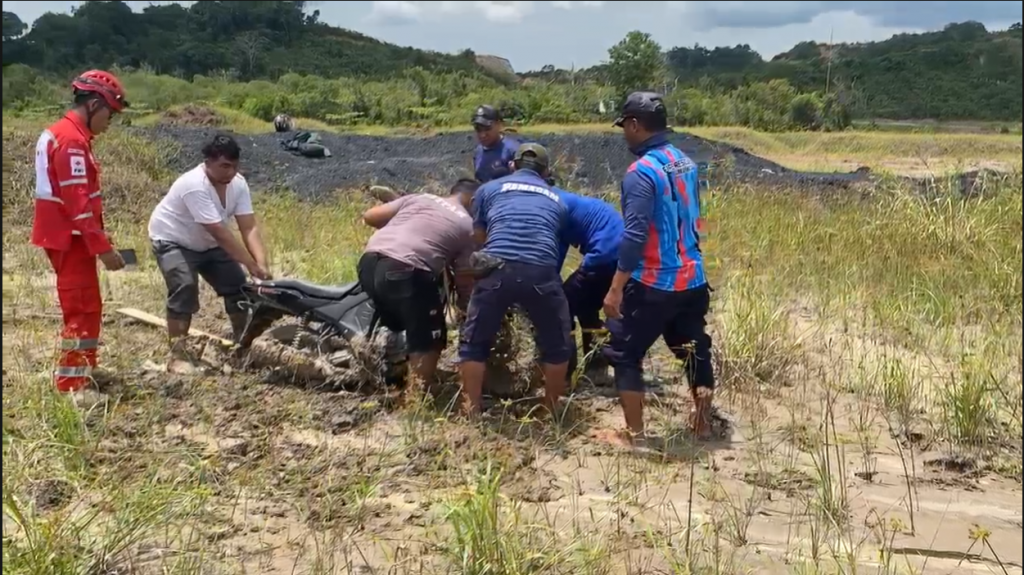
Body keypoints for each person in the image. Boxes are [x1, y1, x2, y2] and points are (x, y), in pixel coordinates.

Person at [601, 91, 716, 444]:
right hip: (693, 278)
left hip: (654, 282)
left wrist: (616, 286)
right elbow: (694, 217)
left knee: (625, 353)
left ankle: (634, 434)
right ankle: (703, 422)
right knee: (694, 351)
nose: (624, 133)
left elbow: (635, 234)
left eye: (625, 126)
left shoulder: (641, 173)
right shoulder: (685, 162)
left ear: (635, 125)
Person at [31, 69, 130, 408]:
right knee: (82, 308)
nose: (109, 122)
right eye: (109, 115)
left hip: (66, 235)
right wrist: (102, 249)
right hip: (69, 237)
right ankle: (72, 384)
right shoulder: (71, 141)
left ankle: (85, 368)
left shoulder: (65, 135)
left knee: (88, 306)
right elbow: (79, 205)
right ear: (93, 104)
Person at [459, 143, 572, 416]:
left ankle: (470, 409)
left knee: (473, 342)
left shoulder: (488, 189)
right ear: (545, 173)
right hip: (540, 270)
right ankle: (551, 410)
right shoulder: (559, 200)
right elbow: (550, 239)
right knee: (557, 344)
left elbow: (479, 238)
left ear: (512, 166)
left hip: (498, 266)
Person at [148, 133, 272, 374]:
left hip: (207, 243)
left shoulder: (238, 184)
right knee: (184, 286)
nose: (230, 172)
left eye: (234, 166)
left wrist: (261, 264)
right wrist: (250, 264)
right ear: (208, 162)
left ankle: (244, 347)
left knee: (239, 288)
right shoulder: (193, 184)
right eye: (224, 166)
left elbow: (249, 226)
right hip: (173, 239)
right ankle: (177, 355)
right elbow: (219, 232)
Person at [357, 179, 479, 391]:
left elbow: (370, 216)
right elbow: (464, 279)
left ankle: (392, 362)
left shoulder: (420, 198)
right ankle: (417, 399)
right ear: (475, 200)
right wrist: (468, 310)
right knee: (430, 335)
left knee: (401, 316)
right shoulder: (467, 224)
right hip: (407, 269)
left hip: (369, 263)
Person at [553, 188, 623, 383]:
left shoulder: (554, 205)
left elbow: (557, 252)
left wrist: (550, 280)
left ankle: (565, 374)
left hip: (604, 254)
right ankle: (596, 369)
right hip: (620, 256)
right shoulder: (565, 199)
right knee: (587, 308)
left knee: (562, 307)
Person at [472, 105, 521, 183]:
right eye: (478, 130)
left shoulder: (513, 151)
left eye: (487, 129)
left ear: (499, 125)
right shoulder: (478, 151)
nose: (482, 135)